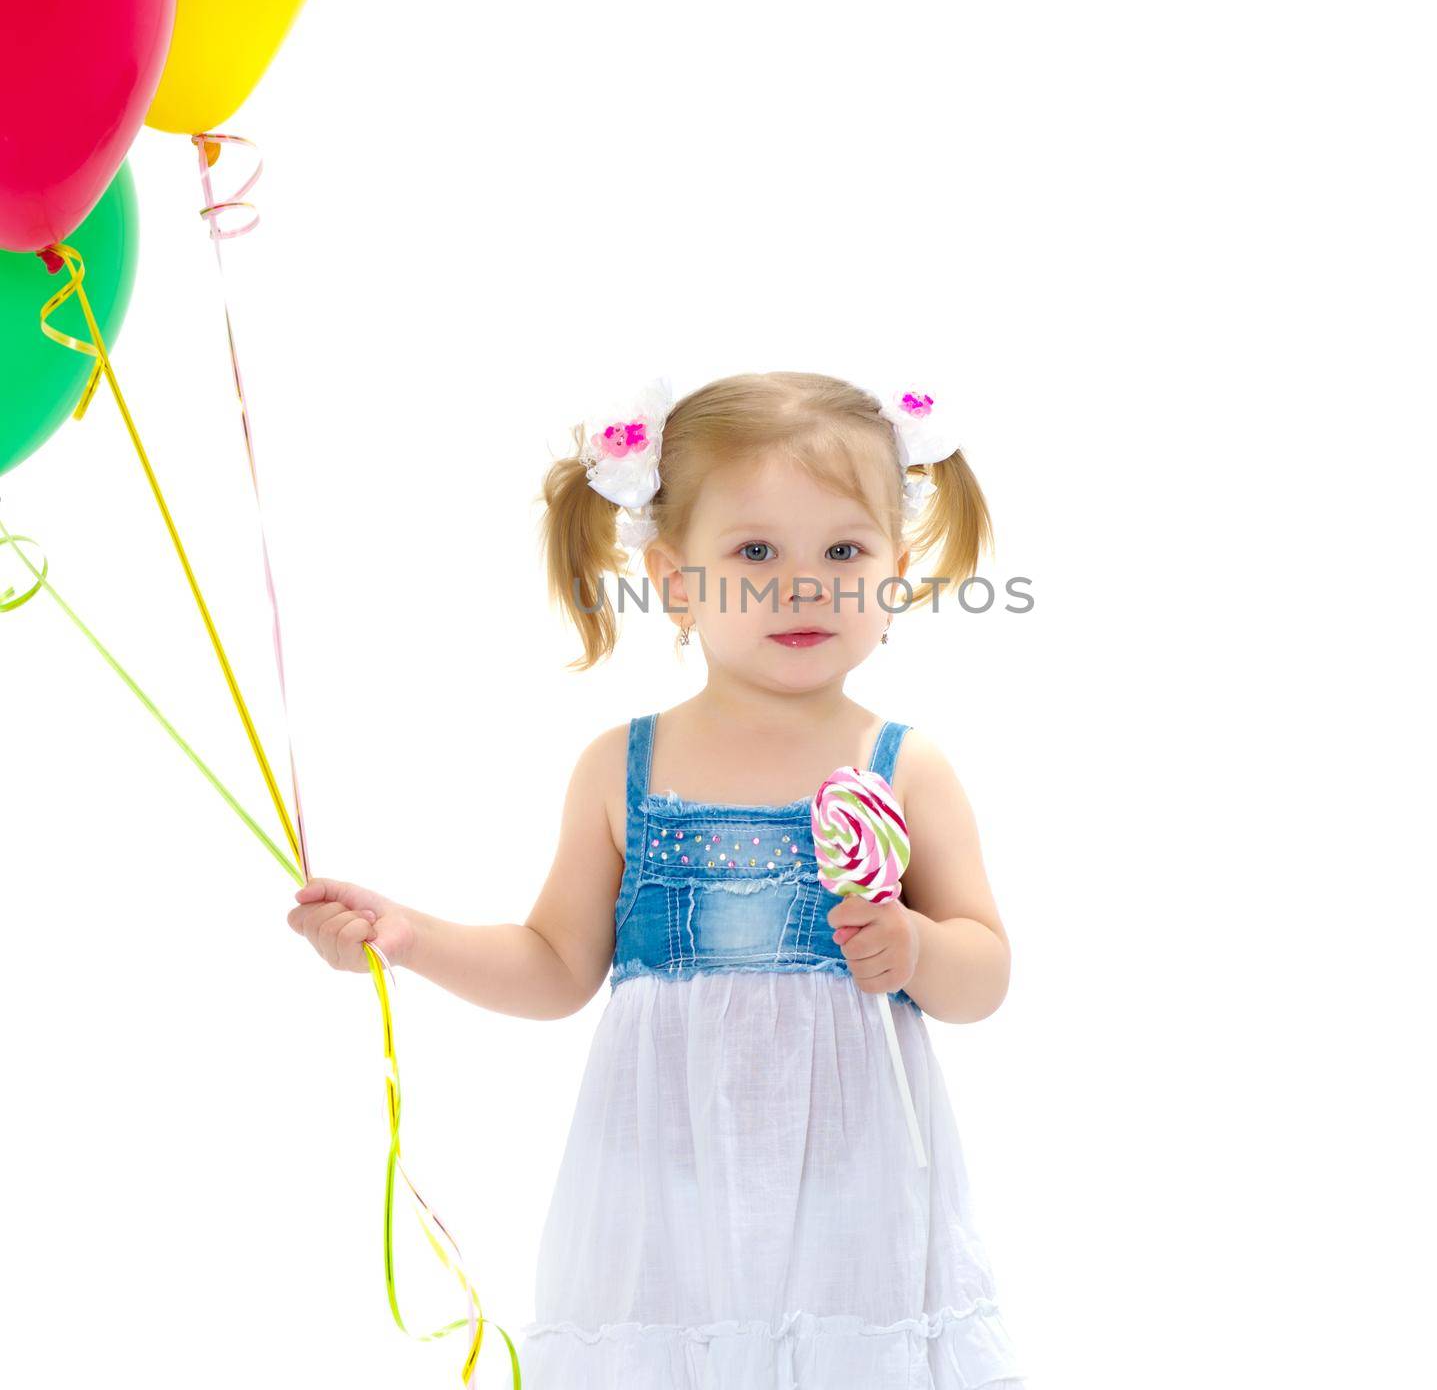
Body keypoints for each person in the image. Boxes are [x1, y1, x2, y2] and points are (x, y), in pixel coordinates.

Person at [286, 369, 1028, 1386]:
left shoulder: (902, 764)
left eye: (842, 550)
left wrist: (915, 945)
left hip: (849, 1176)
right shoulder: (621, 767)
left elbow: (984, 973)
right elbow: (553, 965)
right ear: (677, 578)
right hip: (662, 1168)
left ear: (895, 569)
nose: (802, 584)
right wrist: (411, 934)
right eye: (755, 551)